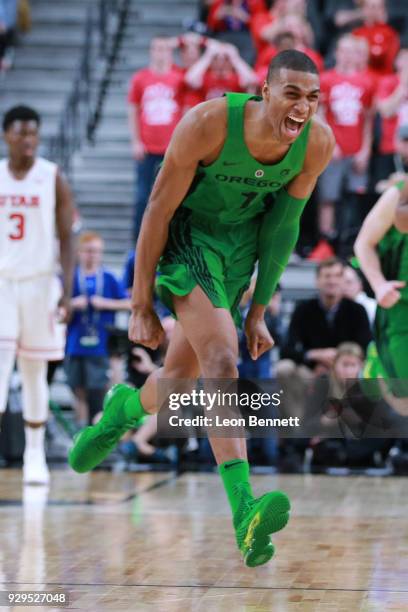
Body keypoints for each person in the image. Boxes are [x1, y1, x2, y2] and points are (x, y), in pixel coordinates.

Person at [69, 49, 335, 567]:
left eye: (313, 98)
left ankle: (117, 415)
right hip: (189, 241)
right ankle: (244, 508)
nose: (304, 107)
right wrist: (140, 302)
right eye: (293, 94)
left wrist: (258, 307)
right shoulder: (208, 123)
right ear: (264, 91)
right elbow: (157, 209)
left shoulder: (316, 143)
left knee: (173, 383)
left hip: (237, 257)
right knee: (222, 361)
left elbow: (282, 230)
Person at [0, 105, 75, 484]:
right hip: (2, 283)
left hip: (41, 283)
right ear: (6, 136)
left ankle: (34, 454)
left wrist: (67, 291)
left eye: (33, 133)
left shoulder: (51, 176)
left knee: (34, 373)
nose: (28, 140)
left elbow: (67, 237)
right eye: (20, 133)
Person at [315, 34, 375, 251]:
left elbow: (368, 120)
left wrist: (365, 150)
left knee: (354, 196)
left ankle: (351, 242)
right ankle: (325, 242)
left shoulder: (366, 82)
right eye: (344, 50)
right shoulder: (327, 79)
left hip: (356, 148)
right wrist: (331, 143)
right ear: (337, 52)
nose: (348, 55)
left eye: (352, 51)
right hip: (334, 149)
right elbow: (318, 114)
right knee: (328, 197)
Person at [65, 232, 130, 428]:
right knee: (77, 389)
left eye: (97, 251)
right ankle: (80, 431)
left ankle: (98, 430)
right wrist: (72, 304)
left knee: (99, 390)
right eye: (89, 251)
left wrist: (105, 304)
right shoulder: (71, 277)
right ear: (79, 252)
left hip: (101, 344)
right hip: (74, 343)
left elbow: (129, 304)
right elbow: (55, 306)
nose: (92, 255)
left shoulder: (108, 277)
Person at [354, 177, 408, 395]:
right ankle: (378, 368)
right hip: (401, 307)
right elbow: (364, 243)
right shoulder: (399, 193)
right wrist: (379, 284)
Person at [127, 37, 183, 241]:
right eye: (156, 48)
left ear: (170, 52)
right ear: (151, 51)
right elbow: (133, 109)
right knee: (143, 196)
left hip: (171, 149)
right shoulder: (140, 78)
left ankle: (169, 238)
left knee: (171, 196)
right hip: (147, 147)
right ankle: (137, 240)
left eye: (164, 48)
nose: (160, 52)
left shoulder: (179, 78)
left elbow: (185, 111)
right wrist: (135, 141)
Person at [279, 257, 372, 374]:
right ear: (317, 280)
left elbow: (365, 346)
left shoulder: (357, 310)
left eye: (337, 276)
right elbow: (287, 349)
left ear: (343, 280)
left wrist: (337, 361)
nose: (332, 281)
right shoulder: (303, 310)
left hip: (346, 369)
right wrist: (315, 355)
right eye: (327, 276)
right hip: (312, 370)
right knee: (284, 368)